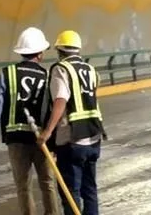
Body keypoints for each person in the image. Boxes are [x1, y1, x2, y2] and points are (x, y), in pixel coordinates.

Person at [0, 27, 60, 215]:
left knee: (23, 186)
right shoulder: (46, 76)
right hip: (41, 139)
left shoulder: (7, 73)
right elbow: (53, 108)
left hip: (16, 138)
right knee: (47, 183)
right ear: (40, 54)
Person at [38, 30, 106, 215]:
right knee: (90, 189)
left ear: (59, 50)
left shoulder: (61, 69)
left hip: (72, 139)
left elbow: (60, 100)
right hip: (93, 136)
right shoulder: (90, 70)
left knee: (70, 192)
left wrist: (48, 131)